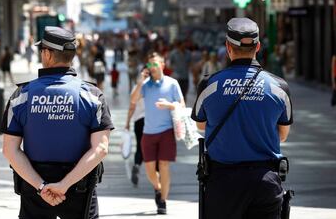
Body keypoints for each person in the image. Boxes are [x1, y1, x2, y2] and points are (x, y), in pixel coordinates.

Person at [1, 26, 114, 219]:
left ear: (47, 54)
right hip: (79, 188)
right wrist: (64, 185)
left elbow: (9, 150)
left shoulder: (22, 96)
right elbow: (101, 148)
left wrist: (42, 186)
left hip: (35, 189)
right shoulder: (92, 96)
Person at [191, 18, 293, 219]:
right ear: (258, 47)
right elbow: (282, 135)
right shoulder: (279, 87)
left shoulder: (209, 84)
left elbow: (200, 124)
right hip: (265, 182)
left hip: (223, 183)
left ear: (228, 47)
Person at [130, 52, 185, 214]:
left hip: (167, 131)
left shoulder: (172, 83)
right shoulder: (145, 85)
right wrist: (140, 82)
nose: (152, 67)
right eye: (149, 65)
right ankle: (158, 188)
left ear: (162, 65)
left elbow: (181, 105)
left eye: (155, 64)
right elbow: (133, 100)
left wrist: (169, 105)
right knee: (149, 169)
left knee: (164, 165)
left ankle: (162, 201)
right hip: (148, 132)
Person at [125, 95, 145, 186]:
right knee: (152, 147)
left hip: (139, 121)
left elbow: (131, 107)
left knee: (139, 146)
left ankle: (137, 164)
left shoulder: (137, 88)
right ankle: (157, 171)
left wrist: (128, 122)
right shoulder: (155, 86)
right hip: (152, 121)